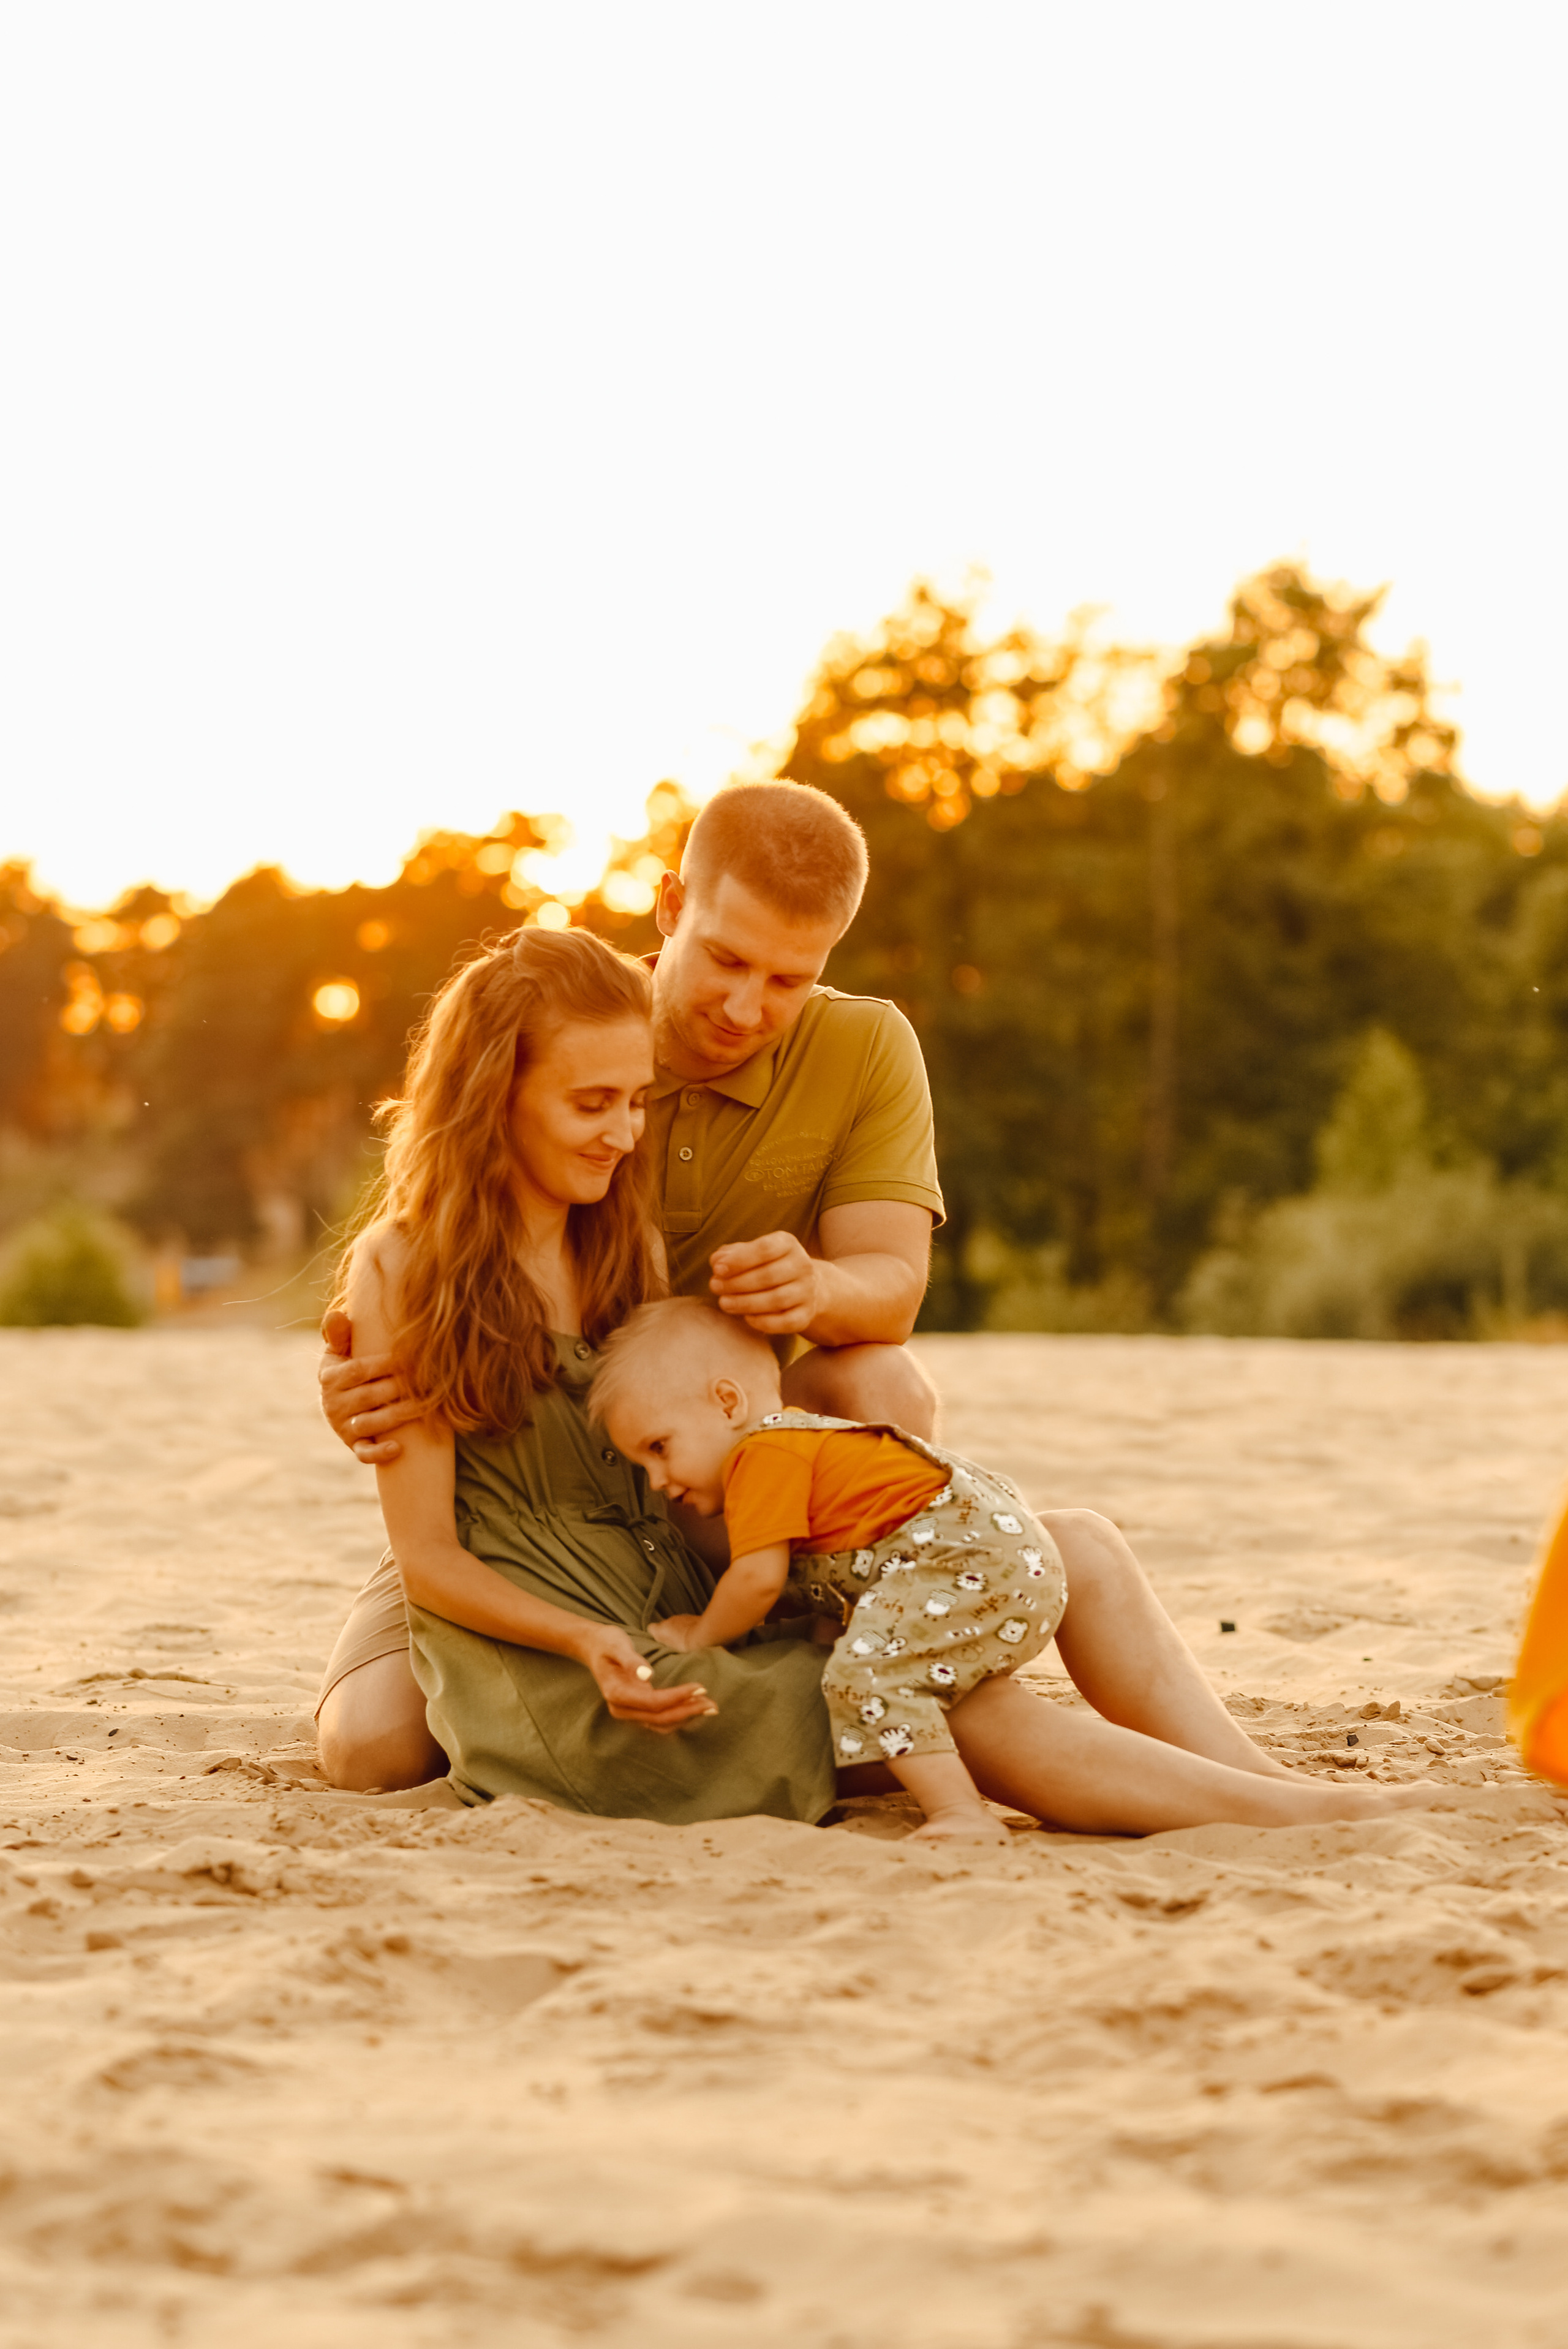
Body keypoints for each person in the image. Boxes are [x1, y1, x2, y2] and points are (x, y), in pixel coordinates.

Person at [327, 910, 1439, 1836]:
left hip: (672, 1595)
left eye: (635, 1098)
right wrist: (592, 1641)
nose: (626, 1131)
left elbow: (735, 1400)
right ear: (492, 1093)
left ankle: (1284, 1791)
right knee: (948, 1702)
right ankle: (1294, 1821)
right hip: (577, 1678)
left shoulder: (613, 1232)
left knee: (1068, 1552)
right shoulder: (407, 1267)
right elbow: (427, 1553)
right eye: (592, 1103)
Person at [317, 779, 944, 1790]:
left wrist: (815, 1285)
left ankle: (877, 1640)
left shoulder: (864, 1047)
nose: (748, 1006)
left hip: (696, 1476)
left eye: (790, 978)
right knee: (373, 1747)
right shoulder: (570, 1013)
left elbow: (892, 1292)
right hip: (516, 1489)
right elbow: (430, 1232)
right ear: (668, 905)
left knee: (884, 1382)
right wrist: (362, 1375)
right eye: (726, 958)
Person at [590, 1295, 1070, 1844]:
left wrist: (699, 1634)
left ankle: (961, 1811)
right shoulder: (804, 1439)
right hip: (1006, 1561)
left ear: (727, 1403)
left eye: (659, 1447)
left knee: (864, 1675)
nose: (656, 1480)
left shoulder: (761, 1454)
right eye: (642, 1464)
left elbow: (757, 1580)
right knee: (886, 1662)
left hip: (968, 1563)